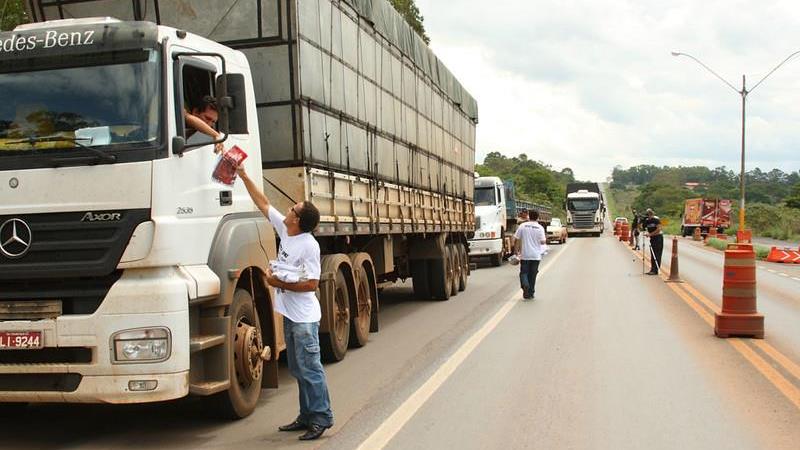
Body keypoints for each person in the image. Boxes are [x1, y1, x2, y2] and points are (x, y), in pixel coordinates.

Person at [237, 165, 334, 441]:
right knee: (297, 368)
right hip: (292, 315)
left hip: (304, 317)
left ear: (297, 220)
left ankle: (322, 417)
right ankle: (306, 415)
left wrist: (278, 283)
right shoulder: (285, 229)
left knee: (310, 368)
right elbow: (263, 202)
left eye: (293, 209)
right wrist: (244, 175)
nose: (289, 209)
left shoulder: (308, 245)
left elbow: (312, 284)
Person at [514, 209, 547, 299]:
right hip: (536, 256)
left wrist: (516, 251)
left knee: (524, 273)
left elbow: (517, 239)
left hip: (525, 255)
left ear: (529, 215)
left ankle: (525, 284)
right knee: (533, 275)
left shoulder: (523, 226)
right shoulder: (540, 228)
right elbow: (543, 242)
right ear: (537, 217)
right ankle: (530, 293)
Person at [643, 208, 663, 275]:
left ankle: (656, 270)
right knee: (652, 254)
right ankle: (652, 269)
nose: (649, 216)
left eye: (650, 214)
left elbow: (659, 229)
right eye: (648, 215)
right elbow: (643, 227)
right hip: (652, 238)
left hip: (658, 238)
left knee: (657, 254)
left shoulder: (656, 220)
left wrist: (650, 234)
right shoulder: (647, 221)